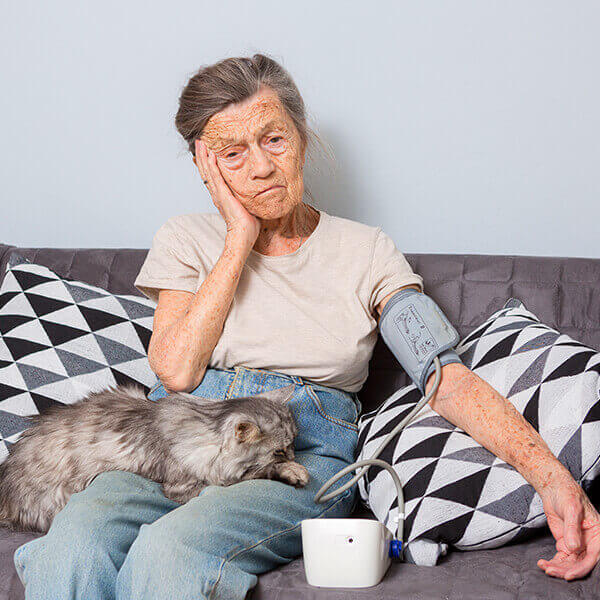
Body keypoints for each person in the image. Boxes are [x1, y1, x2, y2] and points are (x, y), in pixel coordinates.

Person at [14, 53, 600, 599]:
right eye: (233, 152)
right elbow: (175, 370)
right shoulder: (186, 239)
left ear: (301, 137)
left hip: (298, 452)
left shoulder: (367, 250)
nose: (263, 166)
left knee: (171, 551)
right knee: (72, 545)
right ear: (204, 164)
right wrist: (239, 239)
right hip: (173, 443)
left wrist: (551, 477)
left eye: (274, 139)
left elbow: (443, 374)